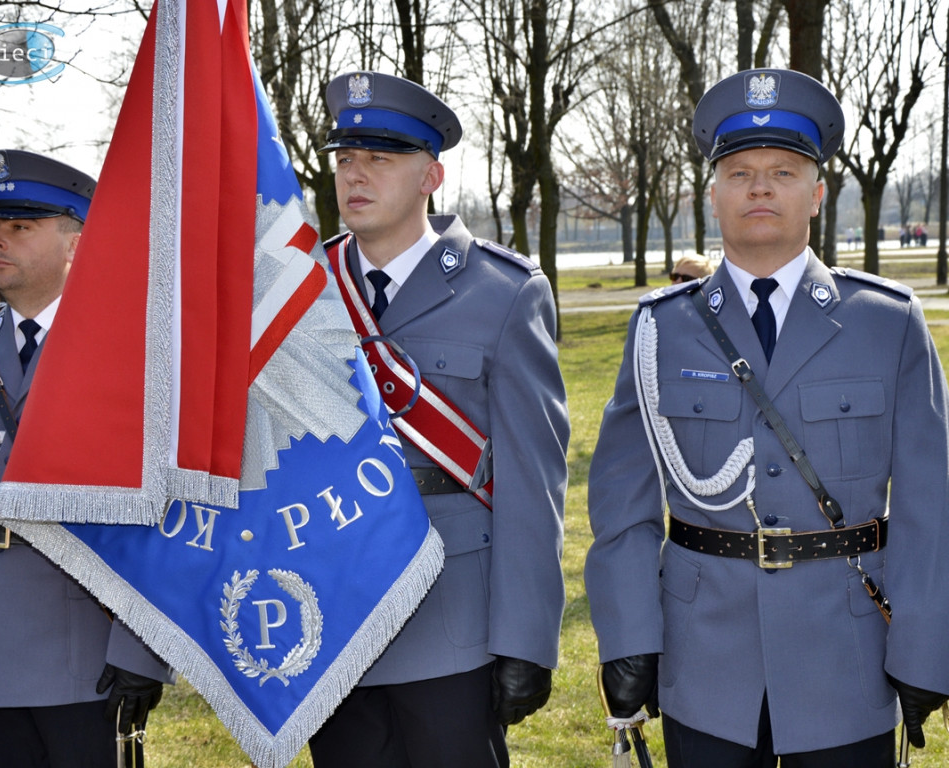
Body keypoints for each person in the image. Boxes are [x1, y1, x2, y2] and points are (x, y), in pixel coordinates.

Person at [585, 68, 949, 767]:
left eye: (783, 171)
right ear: (712, 195)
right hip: (706, 659)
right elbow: (621, 505)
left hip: (849, 656)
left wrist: (924, 646)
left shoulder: (888, 322)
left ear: (816, 194)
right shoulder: (661, 328)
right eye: (740, 171)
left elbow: (932, 506)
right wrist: (629, 637)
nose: (759, 187)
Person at [309, 71, 570, 768]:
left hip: (453, 621)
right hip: (334, 616)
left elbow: (532, 486)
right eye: (344, 159)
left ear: (431, 175)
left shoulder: (504, 293)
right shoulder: (301, 294)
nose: (355, 175)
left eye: (380, 159)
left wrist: (526, 640)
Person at [0, 149, 173, 768]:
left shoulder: (131, 352)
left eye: (20, 227)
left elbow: (164, 512)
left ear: (75, 243)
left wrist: (142, 648)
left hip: (80, 642)